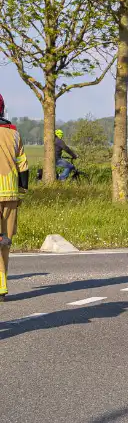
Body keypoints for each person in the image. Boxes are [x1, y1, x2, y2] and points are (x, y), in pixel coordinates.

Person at [0, 93, 30, 300]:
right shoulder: (15, 134)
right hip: (10, 195)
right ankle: (2, 287)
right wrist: (23, 189)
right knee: (5, 241)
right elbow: (23, 165)